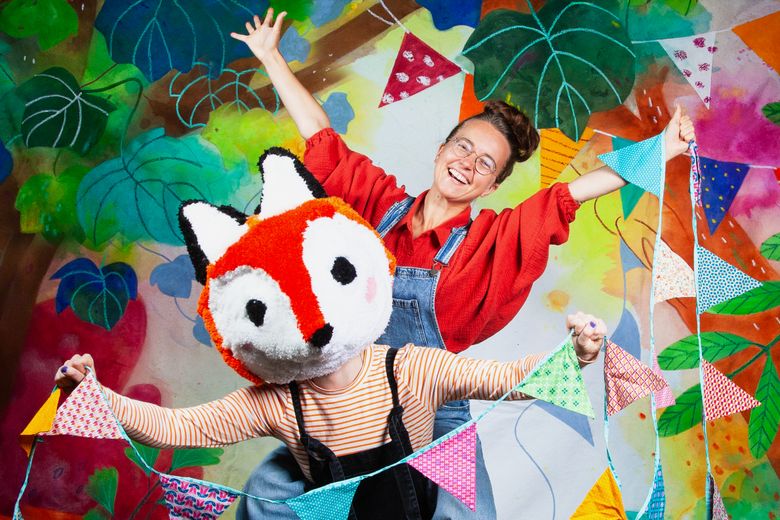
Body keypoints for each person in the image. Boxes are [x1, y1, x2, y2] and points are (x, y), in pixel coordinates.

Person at [230, 9, 696, 519]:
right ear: (441, 150)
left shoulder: (491, 239)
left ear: (492, 186)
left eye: (485, 164)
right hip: (344, 398)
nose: (467, 164)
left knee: (466, 515)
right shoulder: (376, 205)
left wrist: (663, 149)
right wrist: (270, 57)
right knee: (266, 497)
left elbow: (571, 193)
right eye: (463, 147)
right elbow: (322, 138)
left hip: (435, 406)